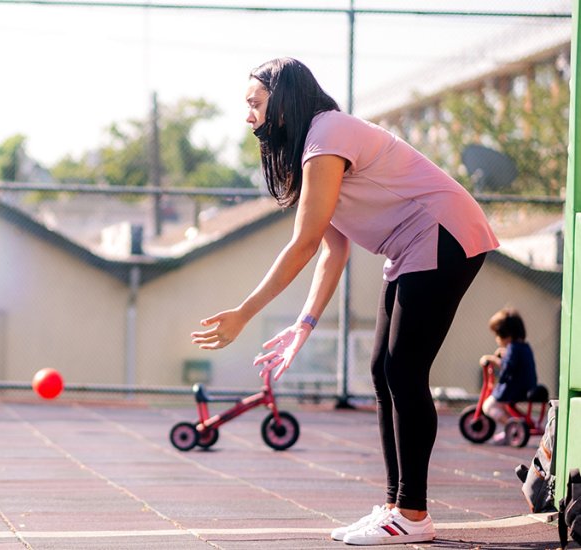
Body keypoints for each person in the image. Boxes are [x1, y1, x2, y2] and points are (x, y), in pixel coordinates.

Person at [190, 58, 497, 546]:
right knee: (383, 370)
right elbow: (332, 249)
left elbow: (304, 241)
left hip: (444, 233)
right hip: (411, 246)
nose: (248, 117)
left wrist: (244, 313)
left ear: (283, 102)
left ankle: (412, 515)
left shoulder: (329, 133)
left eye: (255, 104)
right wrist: (305, 323)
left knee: (403, 371)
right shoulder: (312, 150)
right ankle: (398, 507)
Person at [479, 308, 537, 444]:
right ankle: (510, 429)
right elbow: (516, 361)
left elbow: (507, 368)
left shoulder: (513, 348)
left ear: (507, 335)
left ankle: (511, 427)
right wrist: (505, 354)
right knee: (502, 406)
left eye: (498, 335)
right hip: (526, 386)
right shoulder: (523, 346)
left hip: (514, 389)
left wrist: (492, 359)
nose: (497, 339)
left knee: (488, 406)